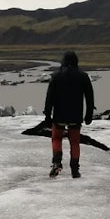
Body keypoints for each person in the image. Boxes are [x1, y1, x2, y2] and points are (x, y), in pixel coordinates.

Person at [43, 50, 95, 178]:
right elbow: (89, 97)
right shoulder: (83, 76)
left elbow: (49, 97)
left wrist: (47, 115)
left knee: (56, 138)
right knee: (75, 142)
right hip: (75, 115)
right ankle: (75, 169)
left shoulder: (56, 76)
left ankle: (56, 163)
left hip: (59, 115)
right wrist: (89, 115)